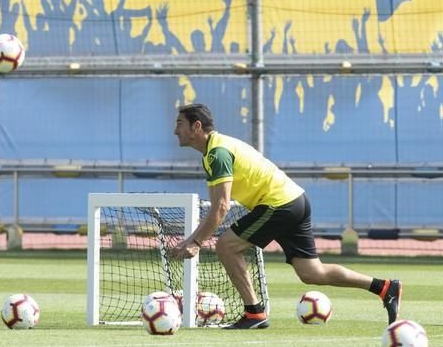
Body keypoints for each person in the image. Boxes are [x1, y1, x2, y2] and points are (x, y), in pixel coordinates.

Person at [170, 103, 401, 329]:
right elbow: (218, 207)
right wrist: (192, 240)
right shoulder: (214, 151)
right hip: (295, 201)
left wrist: (197, 242)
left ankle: (254, 313)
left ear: (196, 126)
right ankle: (384, 288)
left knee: (226, 246)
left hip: (278, 204)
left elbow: (221, 206)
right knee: (312, 273)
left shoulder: (217, 153)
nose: (175, 130)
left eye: (180, 123)